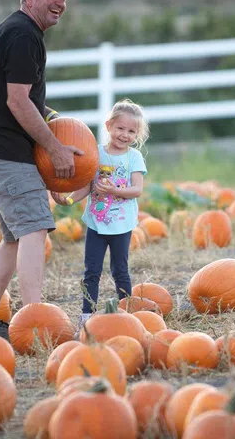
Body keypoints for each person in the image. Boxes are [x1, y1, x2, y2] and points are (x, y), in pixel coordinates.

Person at [0, 0, 81, 339]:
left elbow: (20, 99)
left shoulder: (17, 31)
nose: (59, 2)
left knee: (14, 236)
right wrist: (55, 149)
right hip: (0, 146)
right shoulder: (24, 34)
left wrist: (55, 125)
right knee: (34, 228)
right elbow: (17, 102)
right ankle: (34, 321)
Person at [51, 99, 149, 328]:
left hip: (122, 225)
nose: (125, 135)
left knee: (120, 270)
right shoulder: (96, 154)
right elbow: (86, 186)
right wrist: (68, 199)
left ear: (137, 134)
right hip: (96, 223)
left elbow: (137, 189)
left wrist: (114, 190)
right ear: (109, 126)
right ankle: (87, 316)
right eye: (120, 128)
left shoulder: (134, 157)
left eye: (131, 131)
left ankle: (127, 313)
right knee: (91, 271)